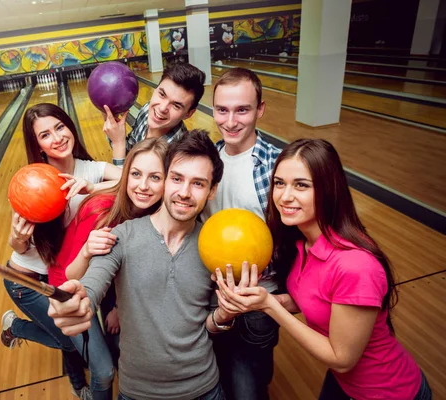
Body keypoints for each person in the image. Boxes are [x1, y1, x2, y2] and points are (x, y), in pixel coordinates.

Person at [214, 139, 433, 400]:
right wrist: (262, 300)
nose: (285, 196)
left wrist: (269, 306)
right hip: (342, 384)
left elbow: (342, 359)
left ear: (329, 189)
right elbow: (313, 296)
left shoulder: (356, 266)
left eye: (301, 185)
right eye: (280, 183)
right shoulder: (303, 244)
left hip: (387, 391)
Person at [48, 129, 234, 400]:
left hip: (205, 388)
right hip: (139, 393)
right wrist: (78, 301)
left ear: (212, 190)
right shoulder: (121, 235)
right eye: (177, 178)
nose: (183, 192)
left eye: (198, 183)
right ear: (167, 180)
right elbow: (91, 284)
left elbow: (209, 323)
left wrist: (224, 317)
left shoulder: (215, 247)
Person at [1, 103, 120, 400]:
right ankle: (15, 326)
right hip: (29, 284)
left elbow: (132, 179)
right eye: (45, 135)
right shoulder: (34, 183)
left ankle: (75, 378)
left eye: (59, 127)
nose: (56, 138)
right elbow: (21, 247)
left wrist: (93, 186)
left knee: (72, 342)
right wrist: (16, 240)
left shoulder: (89, 170)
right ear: (37, 146)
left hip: (68, 278)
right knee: (98, 366)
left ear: (70, 127)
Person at [201, 67, 281, 400]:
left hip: (259, 299)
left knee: (249, 388)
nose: (230, 121)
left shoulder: (278, 167)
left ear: (260, 109)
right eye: (222, 110)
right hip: (210, 294)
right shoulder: (205, 163)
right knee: (216, 377)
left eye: (242, 110)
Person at [102, 62, 205, 166]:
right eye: (162, 94)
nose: (162, 108)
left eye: (176, 106)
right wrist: (110, 120)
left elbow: (128, 181)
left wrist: (118, 143)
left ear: (189, 113)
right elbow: (130, 150)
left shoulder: (176, 155)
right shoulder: (147, 111)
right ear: (155, 89)